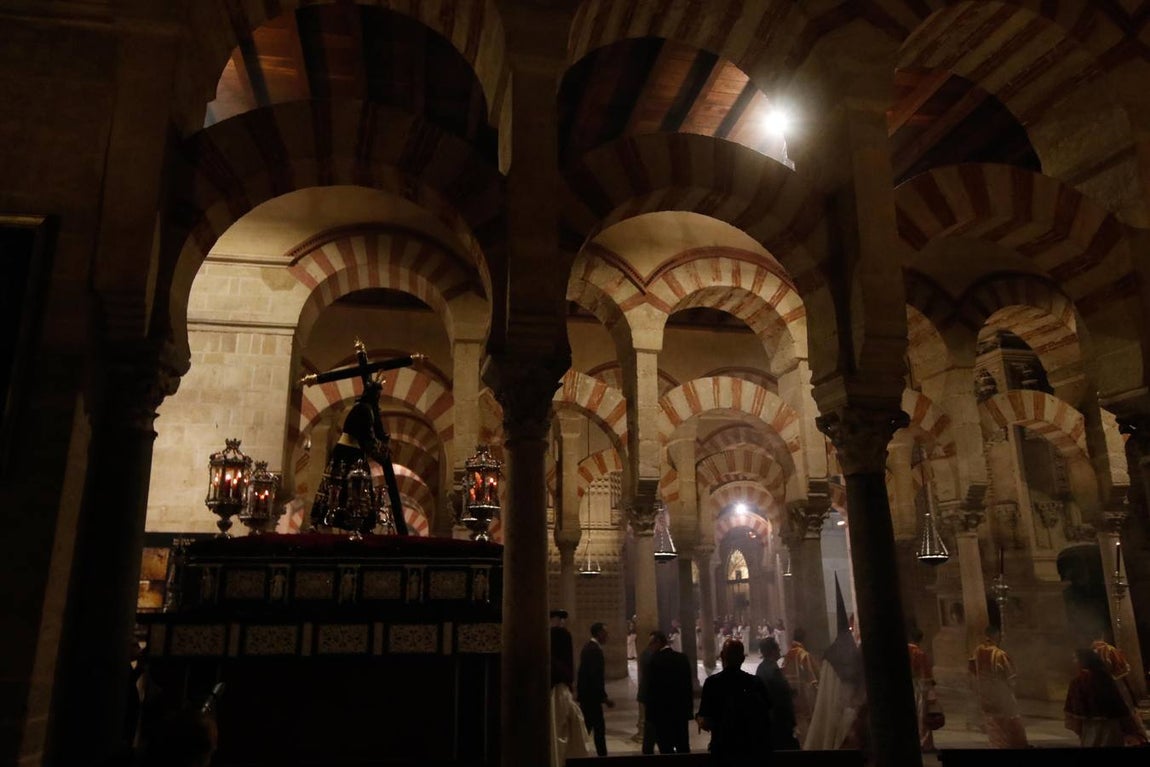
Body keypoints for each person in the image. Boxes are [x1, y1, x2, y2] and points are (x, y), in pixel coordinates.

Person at [309, 380, 389, 532]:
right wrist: (382, 453)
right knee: (351, 491)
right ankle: (354, 523)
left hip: (347, 452)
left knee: (341, 490)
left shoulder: (362, 408)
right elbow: (367, 439)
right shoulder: (364, 410)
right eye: (378, 395)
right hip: (350, 454)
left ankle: (330, 521)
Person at [805, 577, 867, 751]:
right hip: (852, 717)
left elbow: (828, 698)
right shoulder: (854, 652)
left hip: (841, 717)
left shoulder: (833, 653)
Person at [696, 639, 772, 767]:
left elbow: (706, 718)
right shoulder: (754, 682)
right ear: (742, 658)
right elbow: (767, 713)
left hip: (722, 748)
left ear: (721, 656)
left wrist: (700, 719)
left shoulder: (712, 683)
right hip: (749, 748)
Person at [1064, 648, 1146, 747]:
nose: (1074, 661)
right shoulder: (1107, 678)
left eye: (1075, 658)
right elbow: (1120, 705)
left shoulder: (1079, 681)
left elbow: (1076, 706)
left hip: (1092, 727)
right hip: (1112, 726)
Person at [971, 625, 1028, 748]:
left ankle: (996, 745)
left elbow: (972, 668)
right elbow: (1011, 676)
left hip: (984, 693)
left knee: (992, 722)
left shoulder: (977, 651)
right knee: (1009, 720)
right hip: (1001, 694)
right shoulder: (999, 654)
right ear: (996, 636)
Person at [1091, 634, 1149, 743]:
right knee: (1126, 709)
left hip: (1097, 686)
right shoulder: (1110, 649)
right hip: (1116, 684)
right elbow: (1124, 668)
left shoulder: (1090, 652)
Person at [643, 631, 694, 754]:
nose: (650, 647)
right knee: (683, 747)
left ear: (659, 642)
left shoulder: (653, 661)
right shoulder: (682, 658)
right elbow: (688, 687)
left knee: (666, 749)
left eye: (651, 643)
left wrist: (649, 717)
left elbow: (650, 691)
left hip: (661, 715)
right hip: (680, 713)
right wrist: (688, 712)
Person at [550, 610, 588, 765]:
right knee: (562, 731)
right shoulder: (562, 635)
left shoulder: (552, 635)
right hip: (560, 687)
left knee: (556, 731)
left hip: (555, 687)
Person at [577, 622, 614, 756]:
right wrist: (604, 697)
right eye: (605, 633)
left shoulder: (589, 647)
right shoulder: (594, 650)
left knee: (590, 728)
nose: (607, 636)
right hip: (591, 699)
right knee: (597, 730)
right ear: (599, 633)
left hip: (588, 697)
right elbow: (594, 676)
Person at [757, 637, 800, 750]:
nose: (780, 650)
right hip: (779, 722)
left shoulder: (761, 668)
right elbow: (783, 697)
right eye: (777, 648)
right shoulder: (774, 671)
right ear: (772, 651)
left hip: (767, 720)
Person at [782, 626, 818, 742]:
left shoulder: (787, 655)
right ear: (804, 638)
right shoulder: (804, 655)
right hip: (804, 697)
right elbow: (813, 678)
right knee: (807, 732)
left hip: (791, 698)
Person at [908, 627, 937, 751]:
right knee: (923, 716)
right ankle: (924, 743)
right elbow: (926, 675)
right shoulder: (919, 653)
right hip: (920, 688)